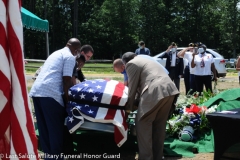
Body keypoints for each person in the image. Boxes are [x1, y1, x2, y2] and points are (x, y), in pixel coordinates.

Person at [29, 38, 91, 159]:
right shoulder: (69, 57)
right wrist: (68, 102)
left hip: (37, 92)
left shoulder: (55, 53)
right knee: (55, 130)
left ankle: (48, 156)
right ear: (77, 50)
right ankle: (56, 157)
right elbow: (67, 81)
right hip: (51, 94)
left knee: (44, 129)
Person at [122, 52, 179, 160]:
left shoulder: (131, 64)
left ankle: (146, 157)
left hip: (155, 90)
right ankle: (158, 156)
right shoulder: (146, 60)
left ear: (125, 63)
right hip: (169, 89)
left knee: (142, 122)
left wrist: (128, 107)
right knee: (159, 125)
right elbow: (141, 84)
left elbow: (132, 87)